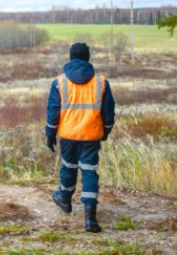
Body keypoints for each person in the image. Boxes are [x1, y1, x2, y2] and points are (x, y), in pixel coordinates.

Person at [45, 42, 116, 233]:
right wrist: (105, 132)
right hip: (91, 135)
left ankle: (64, 200)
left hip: (68, 136)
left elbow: (53, 113)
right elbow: (109, 115)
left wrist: (50, 135)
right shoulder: (101, 82)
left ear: (70, 58)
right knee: (90, 172)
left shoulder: (59, 82)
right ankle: (90, 220)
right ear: (88, 58)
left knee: (68, 167)